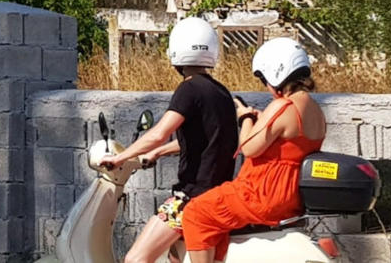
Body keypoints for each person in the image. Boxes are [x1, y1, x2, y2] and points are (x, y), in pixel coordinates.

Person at [96, 17, 238, 263]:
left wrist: (119, 157)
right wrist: (158, 153)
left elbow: (160, 131)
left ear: (176, 52)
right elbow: (200, 140)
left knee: (135, 260)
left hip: (192, 199)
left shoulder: (189, 89)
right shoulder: (221, 92)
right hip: (216, 196)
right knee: (175, 257)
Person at [180, 37, 326, 263]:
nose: (267, 88)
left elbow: (249, 148)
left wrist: (245, 117)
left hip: (261, 193)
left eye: (265, 80)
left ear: (277, 73)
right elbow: (286, 141)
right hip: (290, 196)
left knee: (195, 213)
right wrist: (260, 119)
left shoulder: (282, 106)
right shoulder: (314, 108)